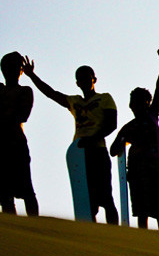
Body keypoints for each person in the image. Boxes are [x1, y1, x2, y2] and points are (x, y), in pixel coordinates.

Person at [23, 58, 119, 224]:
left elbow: (112, 124)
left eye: (87, 77)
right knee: (86, 201)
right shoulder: (75, 101)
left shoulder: (105, 98)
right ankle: (90, 232)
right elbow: (51, 93)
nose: (84, 81)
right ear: (77, 83)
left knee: (106, 197)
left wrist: (92, 139)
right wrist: (32, 75)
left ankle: (116, 232)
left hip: (97, 151)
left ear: (94, 79)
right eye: (80, 79)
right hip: (80, 155)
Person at [109, 49, 159, 230]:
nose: (135, 104)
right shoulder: (128, 127)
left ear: (147, 102)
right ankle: (143, 240)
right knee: (142, 212)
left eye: (140, 100)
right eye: (134, 101)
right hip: (136, 170)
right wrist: (124, 139)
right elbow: (113, 150)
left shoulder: (151, 115)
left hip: (154, 167)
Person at [0, 52, 39, 216]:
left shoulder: (25, 91)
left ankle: (35, 225)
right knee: (4, 194)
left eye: (14, 67)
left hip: (16, 144)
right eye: (7, 67)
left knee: (26, 189)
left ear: (20, 70)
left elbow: (22, 115)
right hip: (2, 146)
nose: (10, 70)